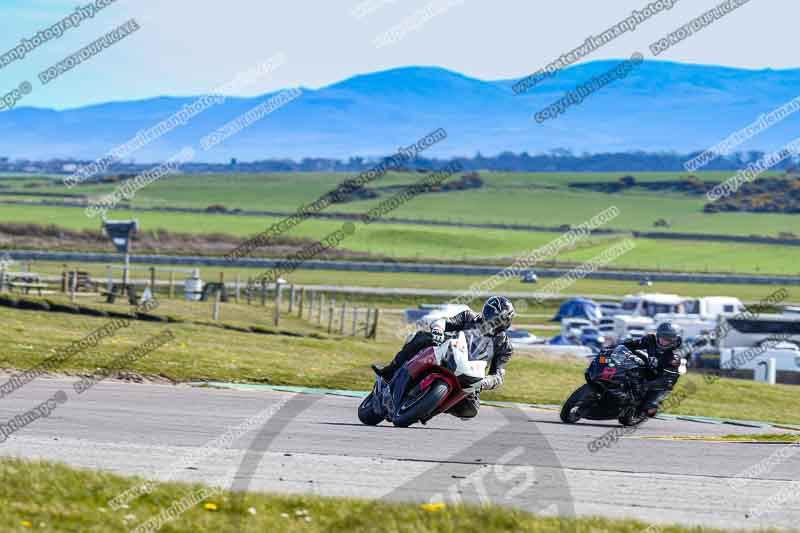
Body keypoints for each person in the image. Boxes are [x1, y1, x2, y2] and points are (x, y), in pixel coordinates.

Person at [371, 296, 516, 419]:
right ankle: (391, 370)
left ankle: (430, 407)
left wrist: (487, 382)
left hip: (471, 374)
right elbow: (445, 322)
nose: (496, 322)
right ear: (487, 312)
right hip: (449, 353)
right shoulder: (468, 317)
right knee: (421, 337)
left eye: (501, 319)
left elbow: (498, 374)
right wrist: (438, 329)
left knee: (471, 410)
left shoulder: (505, 346)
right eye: (495, 317)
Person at [622, 322, 684, 417]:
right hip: (648, 369)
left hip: (662, 382)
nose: (663, 341)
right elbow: (635, 344)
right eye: (662, 338)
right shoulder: (650, 340)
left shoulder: (674, 357)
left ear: (673, 340)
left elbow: (668, 380)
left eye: (667, 340)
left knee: (650, 409)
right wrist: (625, 344)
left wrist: (647, 385)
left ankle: (649, 407)